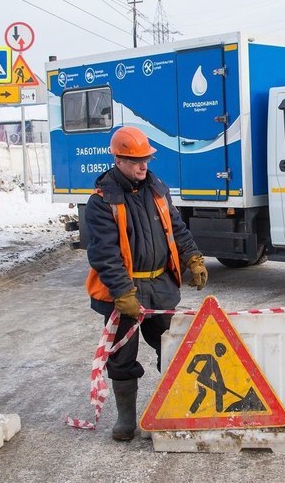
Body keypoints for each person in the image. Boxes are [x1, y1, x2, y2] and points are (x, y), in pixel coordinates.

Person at [84, 125, 208, 441]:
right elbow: (105, 253)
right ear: (118, 159)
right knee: (122, 357)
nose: (143, 166)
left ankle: (179, 405)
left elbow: (177, 229)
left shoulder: (158, 189)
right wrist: (122, 293)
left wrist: (192, 257)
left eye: (146, 159)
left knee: (172, 347)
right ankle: (127, 420)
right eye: (136, 160)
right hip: (124, 292)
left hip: (160, 287)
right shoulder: (102, 201)